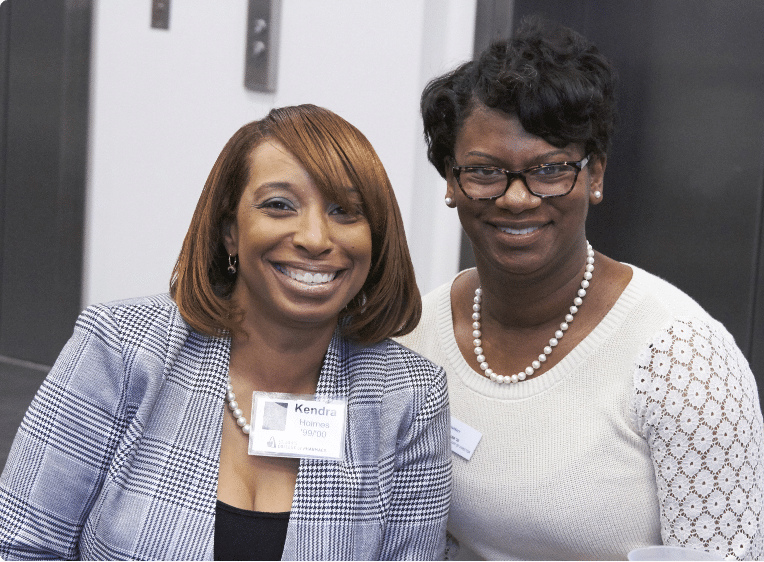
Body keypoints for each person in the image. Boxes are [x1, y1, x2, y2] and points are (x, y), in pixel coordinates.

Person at [397, 16, 764, 561]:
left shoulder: (683, 358)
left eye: (550, 169)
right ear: (451, 182)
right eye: (484, 172)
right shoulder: (417, 341)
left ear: (594, 174)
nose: (517, 198)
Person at [0, 104, 451, 561]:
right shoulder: (122, 347)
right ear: (230, 232)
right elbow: (19, 546)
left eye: (345, 211)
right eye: (279, 206)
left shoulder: (409, 397)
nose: (315, 237)